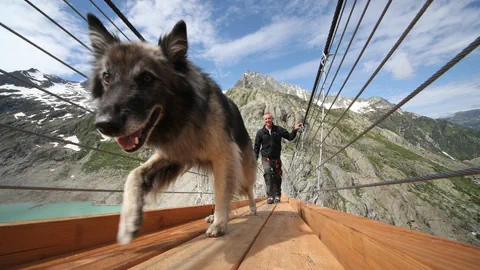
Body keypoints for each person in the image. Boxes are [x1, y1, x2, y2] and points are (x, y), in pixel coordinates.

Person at [254, 112, 302, 204]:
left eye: (269, 118)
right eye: (266, 119)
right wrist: (254, 160)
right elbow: (256, 147)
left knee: (277, 177)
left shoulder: (278, 130)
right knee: (268, 174)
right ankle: (270, 196)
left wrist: (295, 129)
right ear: (264, 120)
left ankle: (277, 195)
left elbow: (290, 137)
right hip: (266, 158)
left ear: (272, 119)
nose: (268, 120)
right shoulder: (260, 132)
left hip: (276, 158)